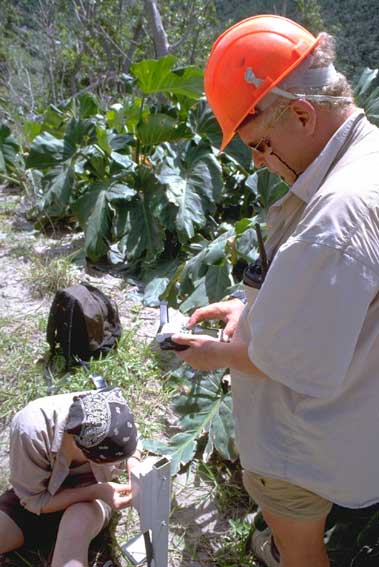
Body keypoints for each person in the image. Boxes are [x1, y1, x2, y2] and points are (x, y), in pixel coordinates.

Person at [170, 14, 379, 567]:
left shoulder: (336, 216)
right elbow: (341, 306)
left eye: (260, 145)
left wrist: (213, 353)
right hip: (358, 418)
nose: (260, 162)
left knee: (302, 551)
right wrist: (249, 308)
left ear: (303, 113)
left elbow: (288, 358)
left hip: (303, 445)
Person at [0, 387, 142, 567]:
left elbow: (134, 444)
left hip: (89, 505)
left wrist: (134, 468)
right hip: (39, 498)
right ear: (81, 449)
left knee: (75, 530)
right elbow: (34, 500)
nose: (116, 466)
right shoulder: (31, 431)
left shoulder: (110, 410)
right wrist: (94, 491)